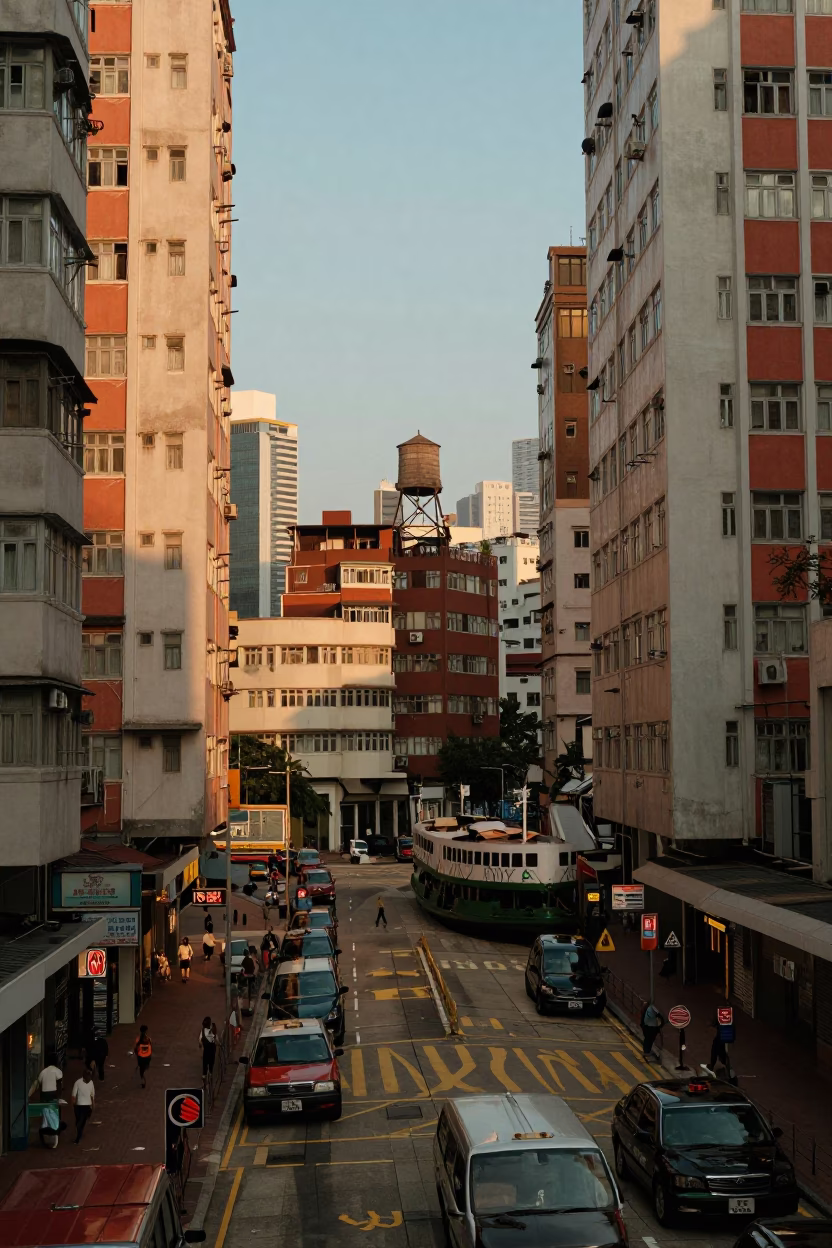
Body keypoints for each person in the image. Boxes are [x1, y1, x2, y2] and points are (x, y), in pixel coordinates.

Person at [71, 1067, 95, 1143]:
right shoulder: (77, 1083)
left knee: (81, 1121)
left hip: (87, 1106)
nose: (89, 1077)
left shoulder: (91, 1083)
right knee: (79, 1121)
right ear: (84, 1075)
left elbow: (92, 1095)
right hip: (78, 1105)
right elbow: (73, 1095)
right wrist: (74, 1104)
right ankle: (79, 1133)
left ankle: (78, 1137)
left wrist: (93, 1105)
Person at [200, 1016, 218, 1087]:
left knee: (204, 1065)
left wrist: (201, 1045)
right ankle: (210, 1075)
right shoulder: (213, 1030)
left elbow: (200, 1041)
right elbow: (216, 1039)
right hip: (212, 1050)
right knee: (211, 1063)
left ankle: (204, 1078)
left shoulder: (202, 1031)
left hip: (206, 1051)